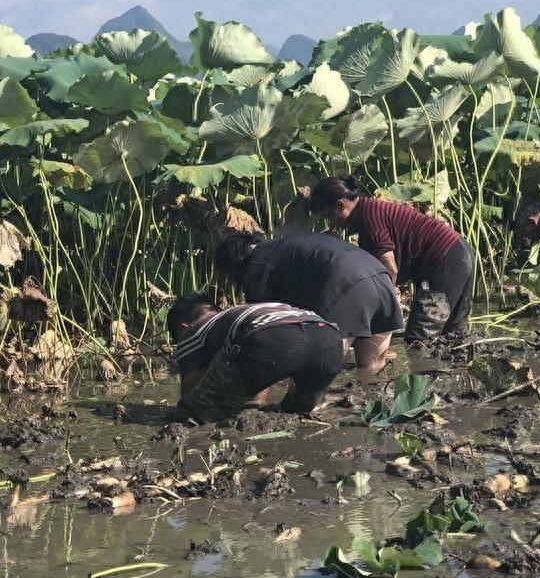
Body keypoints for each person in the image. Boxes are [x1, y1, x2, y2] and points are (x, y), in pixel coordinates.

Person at [310, 175, 474, 343]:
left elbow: (389, 267)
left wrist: (382, 308)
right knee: (454, 335)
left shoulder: (369, 217)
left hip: (444, 260)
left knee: (419, 340)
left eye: (329, 216)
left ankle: (426, 368)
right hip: (459, 251)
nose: (332, 223)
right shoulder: (370, 209)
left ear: (340, 205)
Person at [214, 230, 402, 372]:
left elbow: (263, 330)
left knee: (321, 367)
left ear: (233, 265)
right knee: (371, 368)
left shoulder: (257, 266)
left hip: (347, 288)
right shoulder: (283, 247)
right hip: (380, 278)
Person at [167, 294, 343, 422]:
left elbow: (190, 393)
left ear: (183, 327)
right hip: (328, 338)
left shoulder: (192, 331)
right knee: (296, 412)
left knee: (190, 415)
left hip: (271, 336)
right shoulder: (239, 313)